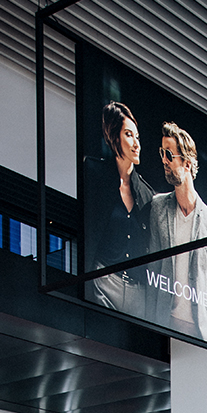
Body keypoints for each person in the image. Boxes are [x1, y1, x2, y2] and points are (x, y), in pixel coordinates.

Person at [145, 122, 207, 343]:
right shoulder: (157, 207)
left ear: (187, 163)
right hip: (166, 322)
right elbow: (152, 267)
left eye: (169, 154)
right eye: (162, 153)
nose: (164, 161)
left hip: (203, 331)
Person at [84, 102, 154, 315]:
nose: (136, 143)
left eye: (137, 137)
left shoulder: (147, 194)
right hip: (102, 282)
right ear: (115, 137)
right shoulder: (94, 172)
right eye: (128, 135)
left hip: (137, 290)